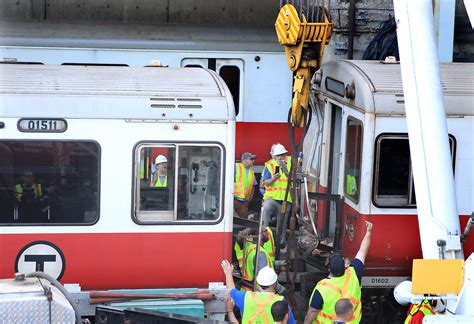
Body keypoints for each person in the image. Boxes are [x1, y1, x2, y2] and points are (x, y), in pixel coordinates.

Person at [304, 221, 373, 324]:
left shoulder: (322, 288)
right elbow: (362, 252)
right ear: (345, 267)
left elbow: (313, 311)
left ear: (329, 269)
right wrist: (369, 231)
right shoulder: (354, 274)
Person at [221, 260, 295, 324]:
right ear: (274, 283)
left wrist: (228, 274)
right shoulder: (281, 303)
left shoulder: (246, 297)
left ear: (258, 283)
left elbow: (231, 291)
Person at [261, 143, 292, 246]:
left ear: (285, 155)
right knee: (265, 208)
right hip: (272, 198)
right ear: (274, 156)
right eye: (278, 155)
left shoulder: (290, 162)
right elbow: (265, 183)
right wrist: (274, 178)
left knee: (282, 223)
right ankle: (263, 236)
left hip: (285, 200)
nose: (280, 157)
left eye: (282, 155)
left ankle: (280, 243)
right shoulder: (270, 166)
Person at [234, 152, 257, 218]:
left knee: (242, 221)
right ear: (245, 160)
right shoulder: (236, 167)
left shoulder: (251, 172)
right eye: (251, 159)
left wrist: (249, 200)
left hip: (244, 203)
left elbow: (253, 186)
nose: (253, 161)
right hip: (234, 200)